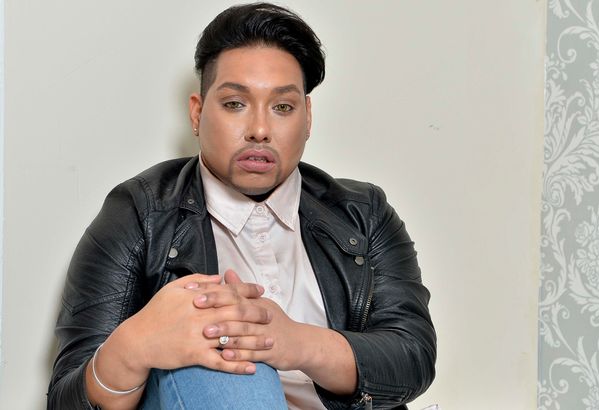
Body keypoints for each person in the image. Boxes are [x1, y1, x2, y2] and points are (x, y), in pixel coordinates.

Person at [47, 3, 436, 409]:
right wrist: (134, 346)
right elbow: (65, 399)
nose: (260, 130)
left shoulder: (363, 212)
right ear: (197, 113)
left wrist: (292, 342)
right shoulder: (139, 212)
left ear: (307, 118)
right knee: (214, 345)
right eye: (235, 104)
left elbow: (413, 358)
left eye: (282, 107)